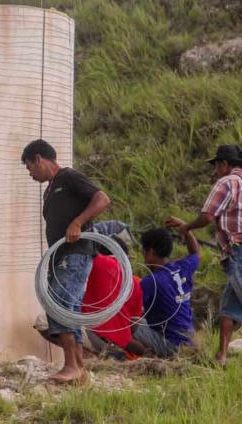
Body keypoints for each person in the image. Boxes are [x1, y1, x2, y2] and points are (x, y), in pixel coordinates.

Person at [21, 139, 110, 383]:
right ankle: (78, 368)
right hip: (60, 257)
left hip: (75, 253)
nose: (30, 174)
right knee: (65, 307)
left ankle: (71, 366)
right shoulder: (52, 187)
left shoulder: (69, 177)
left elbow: (102, 199)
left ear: (39, 159)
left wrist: (78, 222)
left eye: (29, 167)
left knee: (59, 304)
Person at [172, 144, 242, 364]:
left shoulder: (228, 181)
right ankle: (221, 356)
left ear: (224, 164)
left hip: (238, 251)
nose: (215, 172)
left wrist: (186, 228)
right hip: (234, 252)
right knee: (228, 307)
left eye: (216, 166)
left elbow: (209, 216)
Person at [35, 233, 145, 359]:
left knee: (43, 321)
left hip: (96, 336)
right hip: (121, 343)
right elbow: (134, 323)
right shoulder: (135, 281)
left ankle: (86, 356)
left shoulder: (95, 262)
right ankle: (108, 355)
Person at [132, 220, 200, 358]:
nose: (142, 254)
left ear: (151, 252)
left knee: (127, 322)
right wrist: (185, 227)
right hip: (190, 341)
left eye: (143, 251)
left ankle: (150, 358)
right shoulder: (184, 267)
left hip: (172, 346)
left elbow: (129, 310)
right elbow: (196, 253)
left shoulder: (150, 282)